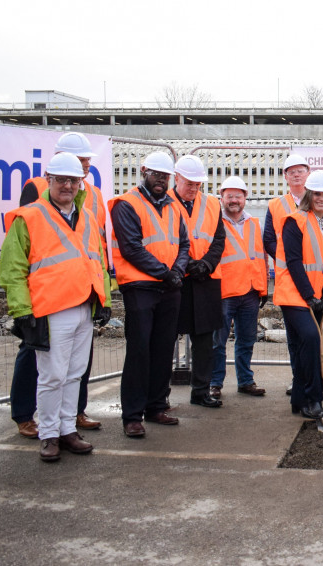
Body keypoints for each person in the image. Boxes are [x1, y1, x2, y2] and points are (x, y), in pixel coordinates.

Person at [0, 152, 111, 461]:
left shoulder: (86, 216)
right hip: (50, 310)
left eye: (73, 180)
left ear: (80, 184)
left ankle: (67, 430)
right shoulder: (30, 216)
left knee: (74, 373)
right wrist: (22, 312)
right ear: (48, 179)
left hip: (83, 307)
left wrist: (104, 299)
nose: (67, 186)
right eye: (61, 179)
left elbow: (97, 262)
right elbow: (12, 269)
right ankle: (48, 435)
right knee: (52, 376)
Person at [109, 151, 190, 437]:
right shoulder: (126, 204)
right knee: (139, 351)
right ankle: (132, 415)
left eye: (165, 176)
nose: (160, 180)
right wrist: (165, 273)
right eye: (156, 174)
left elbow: (183, 244)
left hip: (169, 287)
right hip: (141, 288)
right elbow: (131, 248)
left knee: (163, 349)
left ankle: (156, 405)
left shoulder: (174, 207)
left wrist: (177, 272)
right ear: (144, 171)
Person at [276, 170, 323, 419]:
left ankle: (299, 399)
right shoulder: (295, 221)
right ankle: (313, 397)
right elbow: (293, 262)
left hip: (318, 296)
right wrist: (309, 296)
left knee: (306, 344)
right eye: (317, 193)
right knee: (311, 339)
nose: (322, 198)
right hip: (294, 294)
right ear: (309, 194)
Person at [170, 155, 225, 409]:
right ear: (176, 178)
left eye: (197, 185)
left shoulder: (212, 203)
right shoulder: (164, 203)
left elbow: (218, 239)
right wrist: (186, 265)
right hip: (175, 280)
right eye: (189, 183)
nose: (193, 189)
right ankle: (159, 396)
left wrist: (206, 264)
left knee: (204, 341)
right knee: (166, 337)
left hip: (205, 279)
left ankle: (201, 391)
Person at [263, 154, 319, 396]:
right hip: (288, 280)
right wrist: (287, 260)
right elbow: (268, 239)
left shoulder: (318, 199)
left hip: (314, 279)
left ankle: (320, 379)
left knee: (317, 335)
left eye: (301, 170)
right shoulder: (276, 205)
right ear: (285, 176)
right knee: (295, 337)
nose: (296, 175)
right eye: (291, 171)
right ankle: (299, 380)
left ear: (308, 173)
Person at [211, 176, 268, 399]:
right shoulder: (215, 222)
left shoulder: (253, 222)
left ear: (245, 198)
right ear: (222, 198)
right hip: (224, 292)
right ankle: (215, 383)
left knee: (247, 340)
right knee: (218, 342)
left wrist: (262, 288)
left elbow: (260, 255)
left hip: (251, 291)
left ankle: (246, 381)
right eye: (229, 196)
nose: (234, 200)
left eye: (238, 196)